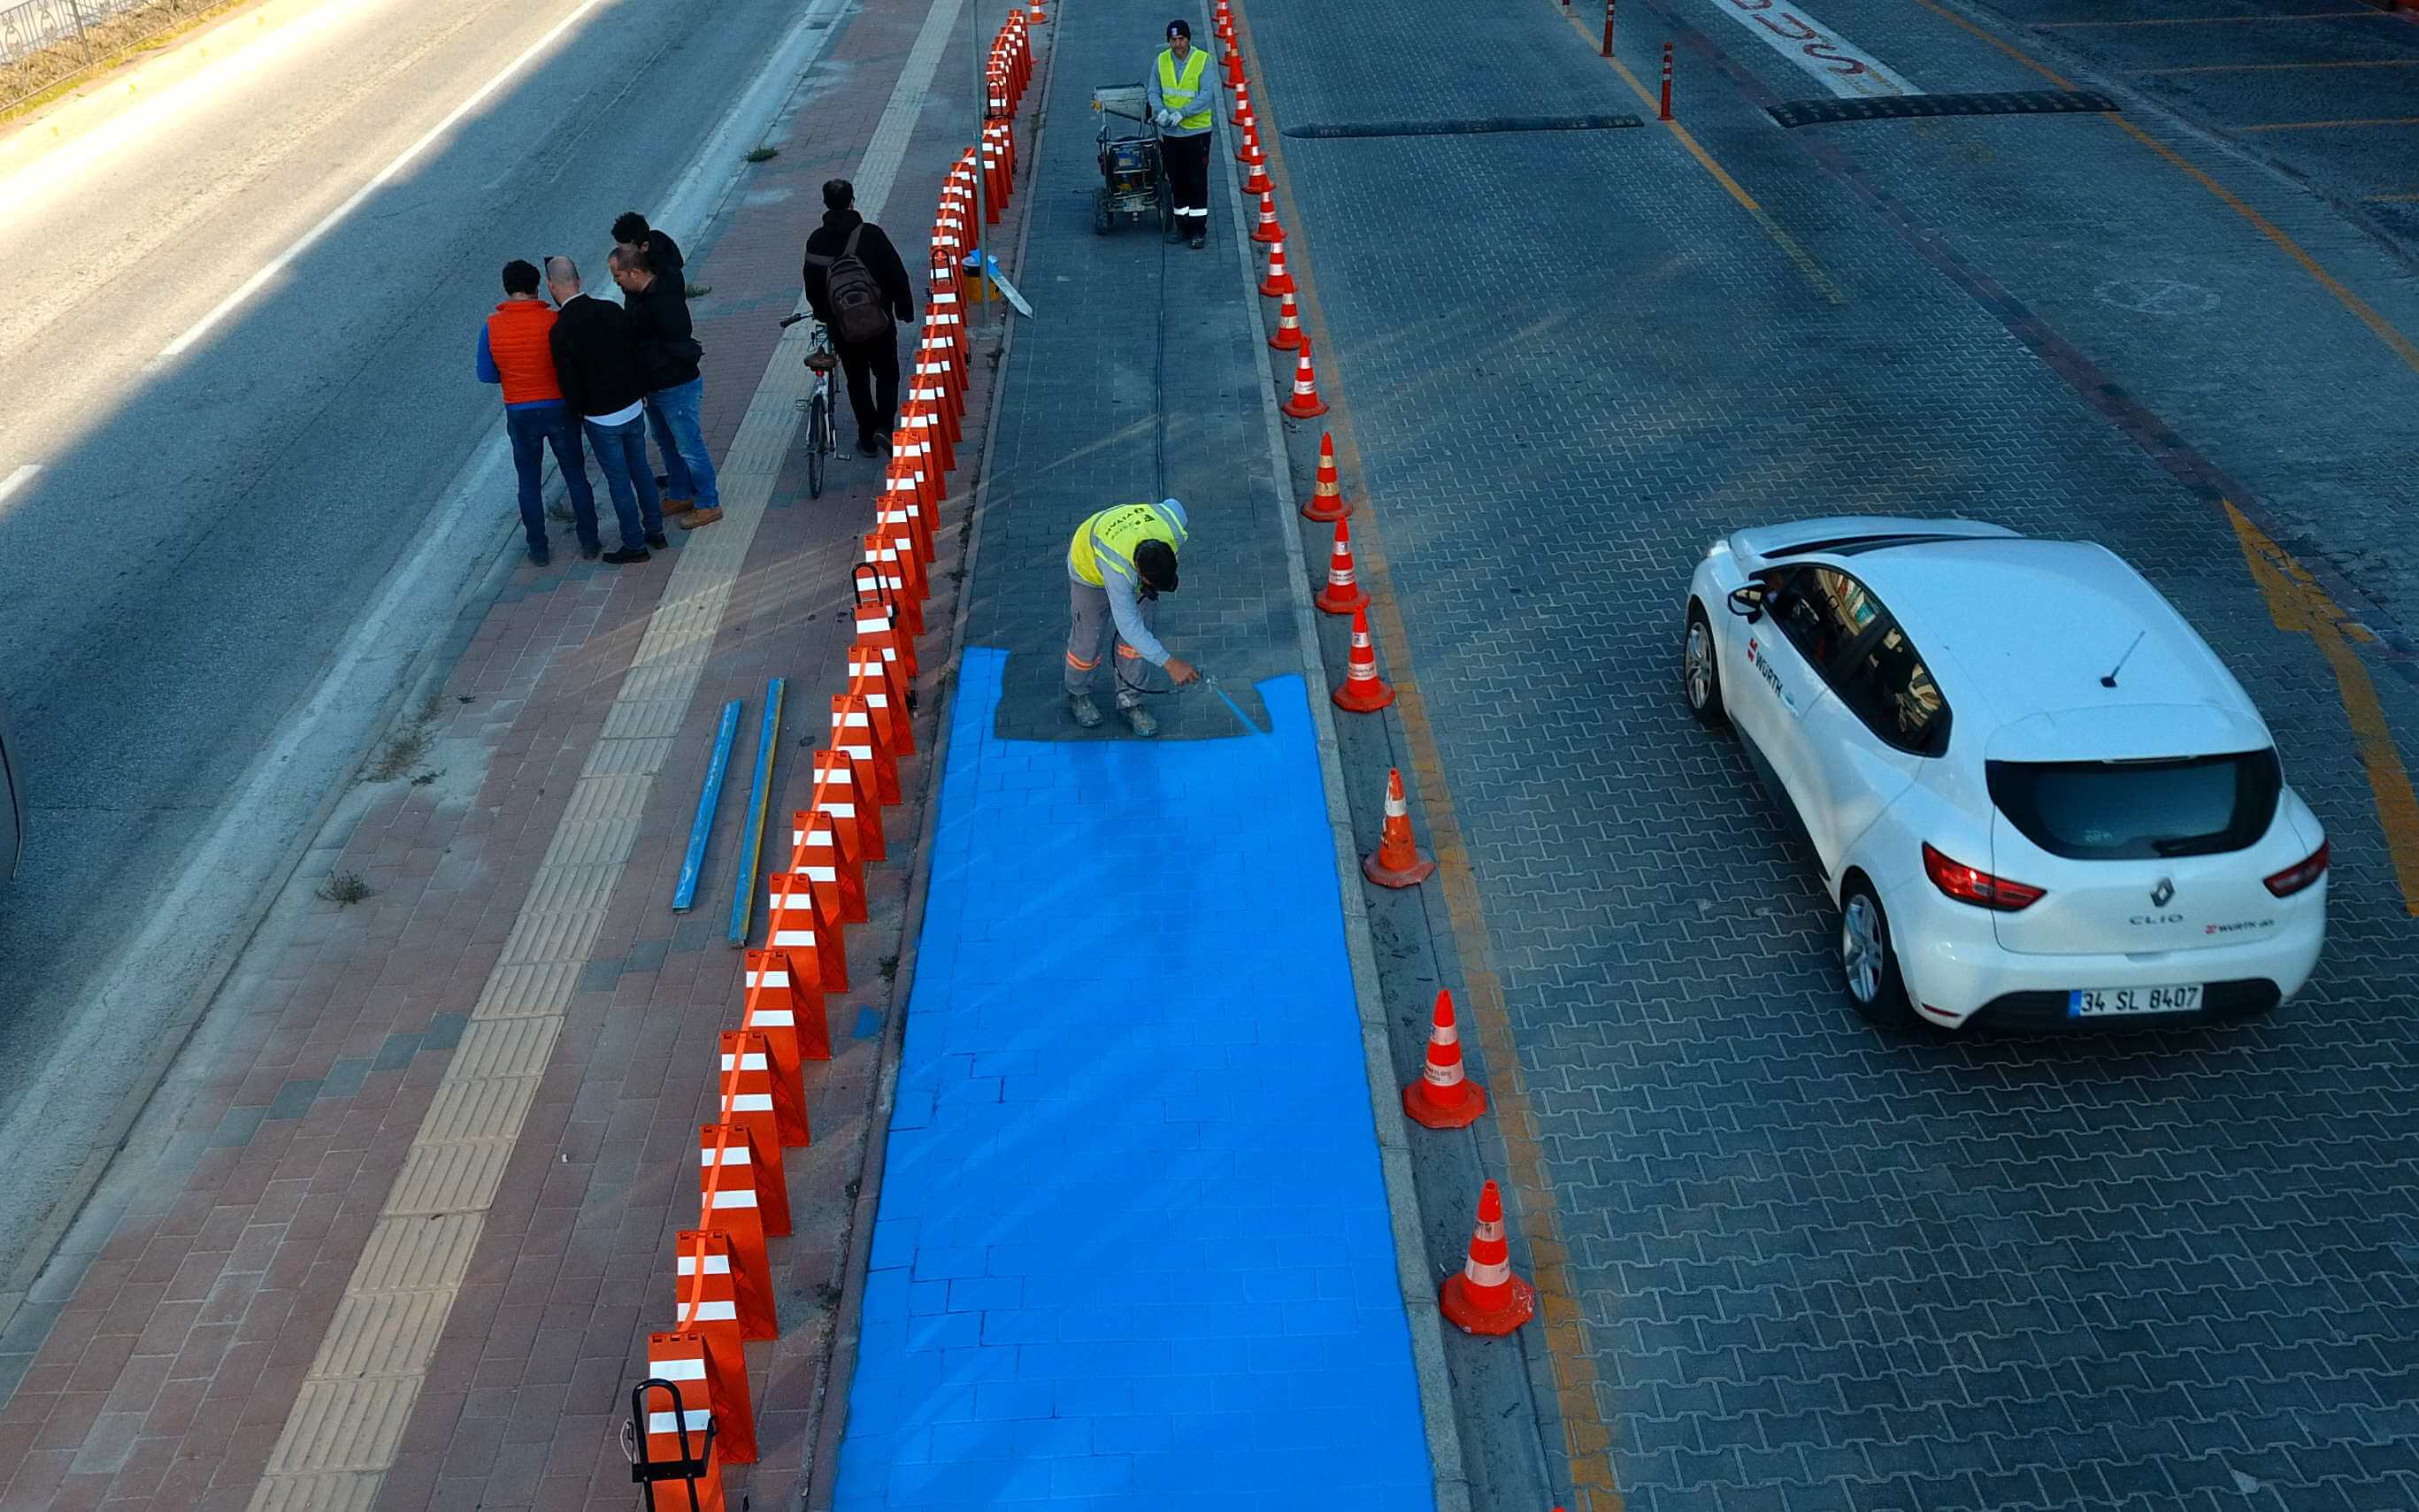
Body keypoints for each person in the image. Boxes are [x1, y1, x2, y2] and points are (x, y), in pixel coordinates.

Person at [544, 257, 666, 564]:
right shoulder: (611, 309)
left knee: (618, 481)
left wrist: (579, 413)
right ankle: (656, 531)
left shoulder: (561, 331)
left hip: (601, 417)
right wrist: (641, 392)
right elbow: (635, 353)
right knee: (641, 469)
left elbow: (568, 383)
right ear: (579, 280)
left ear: (551, 286)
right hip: (632, 406)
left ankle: (634, 544)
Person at [477, 259, 599, 564]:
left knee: (528, 482)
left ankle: (539, 548)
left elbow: (486, 374)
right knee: (575, 474)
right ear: (538, 287)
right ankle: (589, 541)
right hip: (559, 407)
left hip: (520, 410)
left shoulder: (492, 326)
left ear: (507, 289)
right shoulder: (554, 321)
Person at [1064, 498, 1200, 736]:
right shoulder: (1119, 571)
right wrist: (1171, 664)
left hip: (1125, 548)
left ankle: (1130, 702)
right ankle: (1078, 694)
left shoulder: (1171, 526)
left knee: (1133, 648)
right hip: (1088, 568)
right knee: (1087, 641)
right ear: (1140, 574)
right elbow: (1128, 626)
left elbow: (1174, 504)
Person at [802, 179, 917, 457]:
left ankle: (866, 437)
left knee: (856, 379)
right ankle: (884, 429)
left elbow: (812, 285)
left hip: (841, 326)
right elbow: (896, 275)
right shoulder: (872, 235)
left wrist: (823, 313)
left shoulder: (816, 240)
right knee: (887, 374)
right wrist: (904, 309)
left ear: (826, 204)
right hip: (879, 322)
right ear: (853, 201)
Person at [611, 244, 721, 530]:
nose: (616, 281)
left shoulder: (663, 301)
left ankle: (709, 503)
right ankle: (680, 492)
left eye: (617, 275)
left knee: (690, 447)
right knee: (667, 443)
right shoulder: (637, 297)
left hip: (676, 385)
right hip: (655, 387)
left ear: (635, 272)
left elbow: (673, 344)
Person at [612, 211, 697, 505]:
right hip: (657, 371)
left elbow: (666, 332)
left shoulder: (661, 284)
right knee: (667, 440)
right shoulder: (650, 274)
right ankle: (680, 485)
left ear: (643, 249)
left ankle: (700, 494)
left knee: (685, 441)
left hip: (668, 372)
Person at [1149, 19, 1215, 249]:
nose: (1178, 44)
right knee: (1177, 180)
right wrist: (1161, 112)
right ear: (1169, 41)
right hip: (1171, 133)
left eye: (1181, 39)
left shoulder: (1202, 60)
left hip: (1196, 132)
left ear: (1189, 39)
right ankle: (1182, 226)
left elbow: (1206, 94)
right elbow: (1154, 91)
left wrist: (1183, 113)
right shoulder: (1161, 61)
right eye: (1173, 40)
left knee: (1197, 180)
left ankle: (1198, 230)